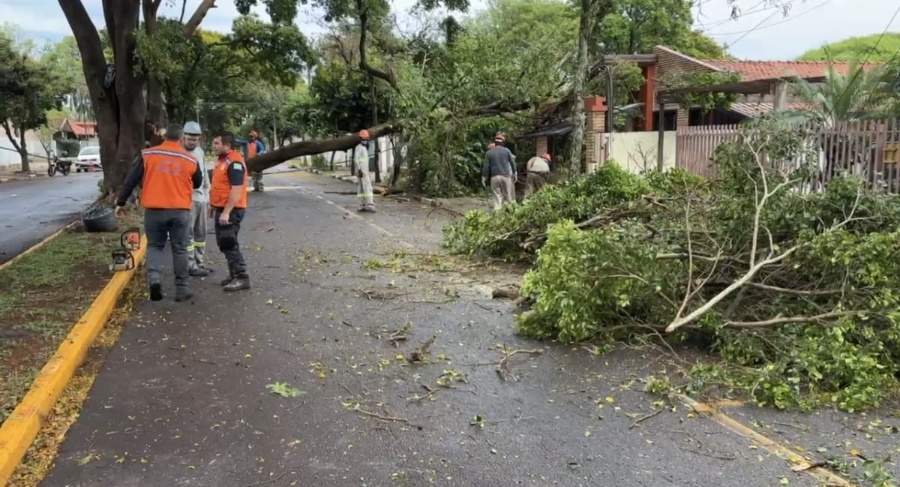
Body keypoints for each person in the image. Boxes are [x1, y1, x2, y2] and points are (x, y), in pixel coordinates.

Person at [115, 124, 203, 302]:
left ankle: (155, 279)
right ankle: (181, 289)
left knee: (155, 245)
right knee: (180, 249)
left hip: (154, 211)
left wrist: (121, 202)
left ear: (164, 137)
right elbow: (198, 183)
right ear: (180, 139)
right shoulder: (190, 159)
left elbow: (131, 179)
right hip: (180, 212)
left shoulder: (148, 154)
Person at [210, 131, 252, 292]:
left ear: (227, 145)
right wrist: (213, 205)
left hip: (232, 210)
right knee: (225, 243)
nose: (214, 146)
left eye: (216, 143)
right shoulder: (223, 160)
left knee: (229, 244)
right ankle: (234, 274)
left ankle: (242, 277)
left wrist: (226, 212)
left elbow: (236, 190)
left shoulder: (234, 163)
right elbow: (220, 185)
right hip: (222, 207)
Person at [182, 121, 213, 277]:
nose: (192, 142)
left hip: (201, 198)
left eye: (195, 140)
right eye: (190, 139)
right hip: (187, 199)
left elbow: (204, 171)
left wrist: (208, 192)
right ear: (183, 137)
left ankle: (199, 262)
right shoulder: (179, 152)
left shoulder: (199, 151)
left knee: (201, 233)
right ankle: (190, 265)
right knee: (189, 233)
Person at [482, 133, 517, 210]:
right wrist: (515, 173)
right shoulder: (507, 151)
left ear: (495, 142)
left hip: (495, 177)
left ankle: (497, 214)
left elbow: (486, 167)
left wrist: (484, 177)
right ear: (503, 142)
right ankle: (508, 214)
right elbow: (512, 163)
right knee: (507, 197)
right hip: (506, 177)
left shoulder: (489, 153)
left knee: (497, 197)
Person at [354, 130, 376, 213]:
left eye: (366, 139)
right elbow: (356, 159)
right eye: (363, 139)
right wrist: (359, 169)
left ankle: (362, 205)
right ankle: (370, 205)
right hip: (362, 172)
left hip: (363, 171)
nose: (365, 141)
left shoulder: (363, 148)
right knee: (368, 188)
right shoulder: (359, 148)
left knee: (361, 189)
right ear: (360, 139)